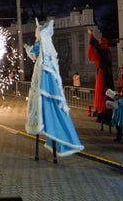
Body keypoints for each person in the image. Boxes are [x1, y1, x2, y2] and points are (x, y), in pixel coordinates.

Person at [24, 18, 84, 156]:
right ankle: (55, 134)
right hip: (50, 81)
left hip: (41, 81)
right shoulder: (49, 46)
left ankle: (46, 129)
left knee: (41, 105)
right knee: (51, 106)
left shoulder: (41, 43)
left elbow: (33, 53)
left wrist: (27, 48)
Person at [87, 28, 114, 127]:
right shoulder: (107, 50)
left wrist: (91, 35)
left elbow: (95, 46)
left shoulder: (103, 49)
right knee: (106, 91)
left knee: (101, 91)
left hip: (102, 73)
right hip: (107, 73)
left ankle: (102, 111)